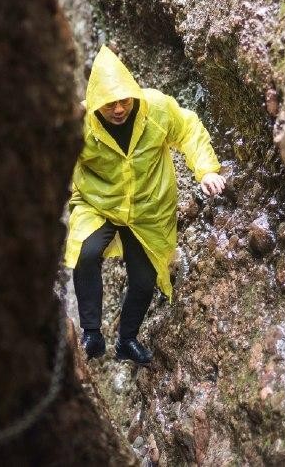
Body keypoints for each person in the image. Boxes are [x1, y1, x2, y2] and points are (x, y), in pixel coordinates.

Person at [64, 45, 226, 365]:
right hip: (100, 202)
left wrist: (206, 170)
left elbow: (189, 130)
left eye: (124, 101)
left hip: (149, 207)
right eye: (110, 104)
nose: (119, 109)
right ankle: (92, 334)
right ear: (96, 103)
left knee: (143, 279)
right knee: (86, 251)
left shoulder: (157, 108)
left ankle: (126, 340)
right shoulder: (80, 123)